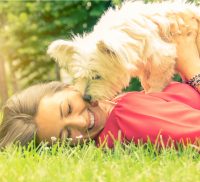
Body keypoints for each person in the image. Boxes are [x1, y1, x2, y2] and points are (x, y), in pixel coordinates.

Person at [0, 19, 200, 149]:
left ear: (69, 87)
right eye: (67, 134)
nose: (81, 123)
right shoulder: (125, 117)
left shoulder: (114, 106)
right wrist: (191, 66)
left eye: (68, 109)